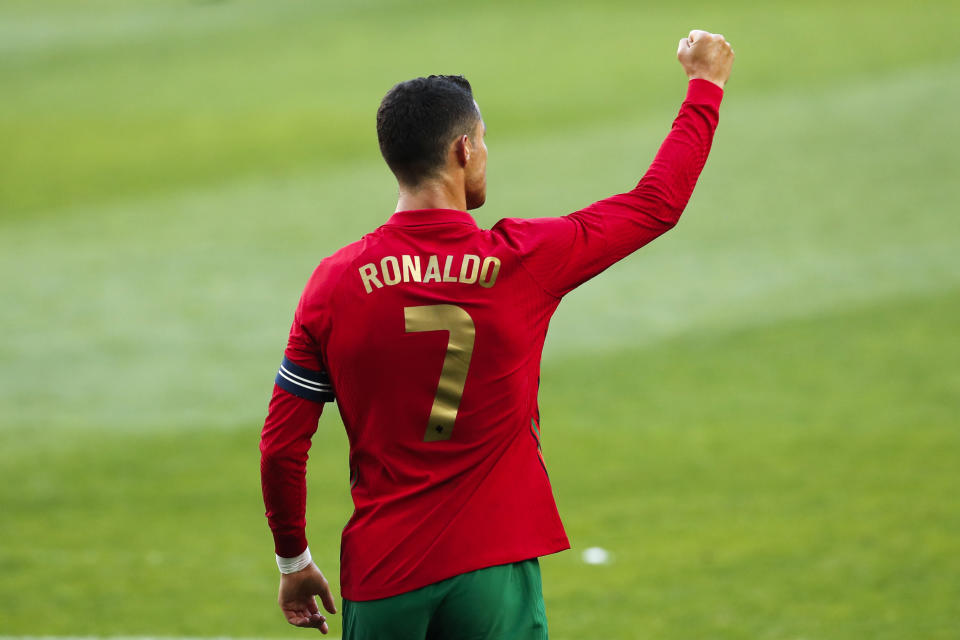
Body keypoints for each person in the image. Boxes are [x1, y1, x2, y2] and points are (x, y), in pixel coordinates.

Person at [259, 29, 734, 639]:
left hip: (384, 576)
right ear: (462, 149)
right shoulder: (524, 260)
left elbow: (281, 446)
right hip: (493, 566)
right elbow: (654, 205)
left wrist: (293, 560)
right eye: (483, 142)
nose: (486, 154)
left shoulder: (333, 285)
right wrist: (706, 85)